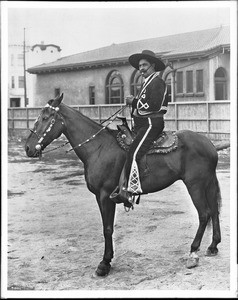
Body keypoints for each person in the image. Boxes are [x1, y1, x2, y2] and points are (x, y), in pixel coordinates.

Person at [110, 49, 169, 206]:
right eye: (140, 66)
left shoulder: (158, 82)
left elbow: (154, 105)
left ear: (153, 65)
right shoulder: (146, 82)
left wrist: (134, 102)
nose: (141, 68)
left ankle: (129, 192)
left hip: (152, 124)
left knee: (134, 153)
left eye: (144, 65)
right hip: (143, 123)